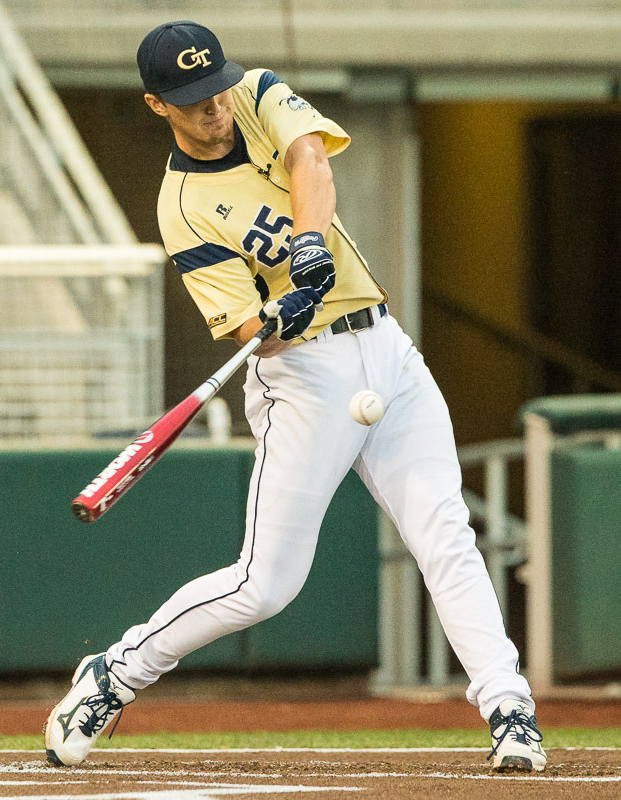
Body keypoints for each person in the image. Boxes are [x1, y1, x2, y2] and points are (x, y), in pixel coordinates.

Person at [44, 21, 546, 774]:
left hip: (386, 348)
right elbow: (249, 331)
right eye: (193, 98)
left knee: (445, 533)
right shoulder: (181, 209)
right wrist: (277, 316)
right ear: (157, 106)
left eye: (215, 85)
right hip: (303, 378)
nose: (213, 105)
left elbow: (311, 161)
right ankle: (116, 672)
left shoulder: (253, 92)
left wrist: (309, 246)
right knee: (263, 586)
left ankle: (509, 709)